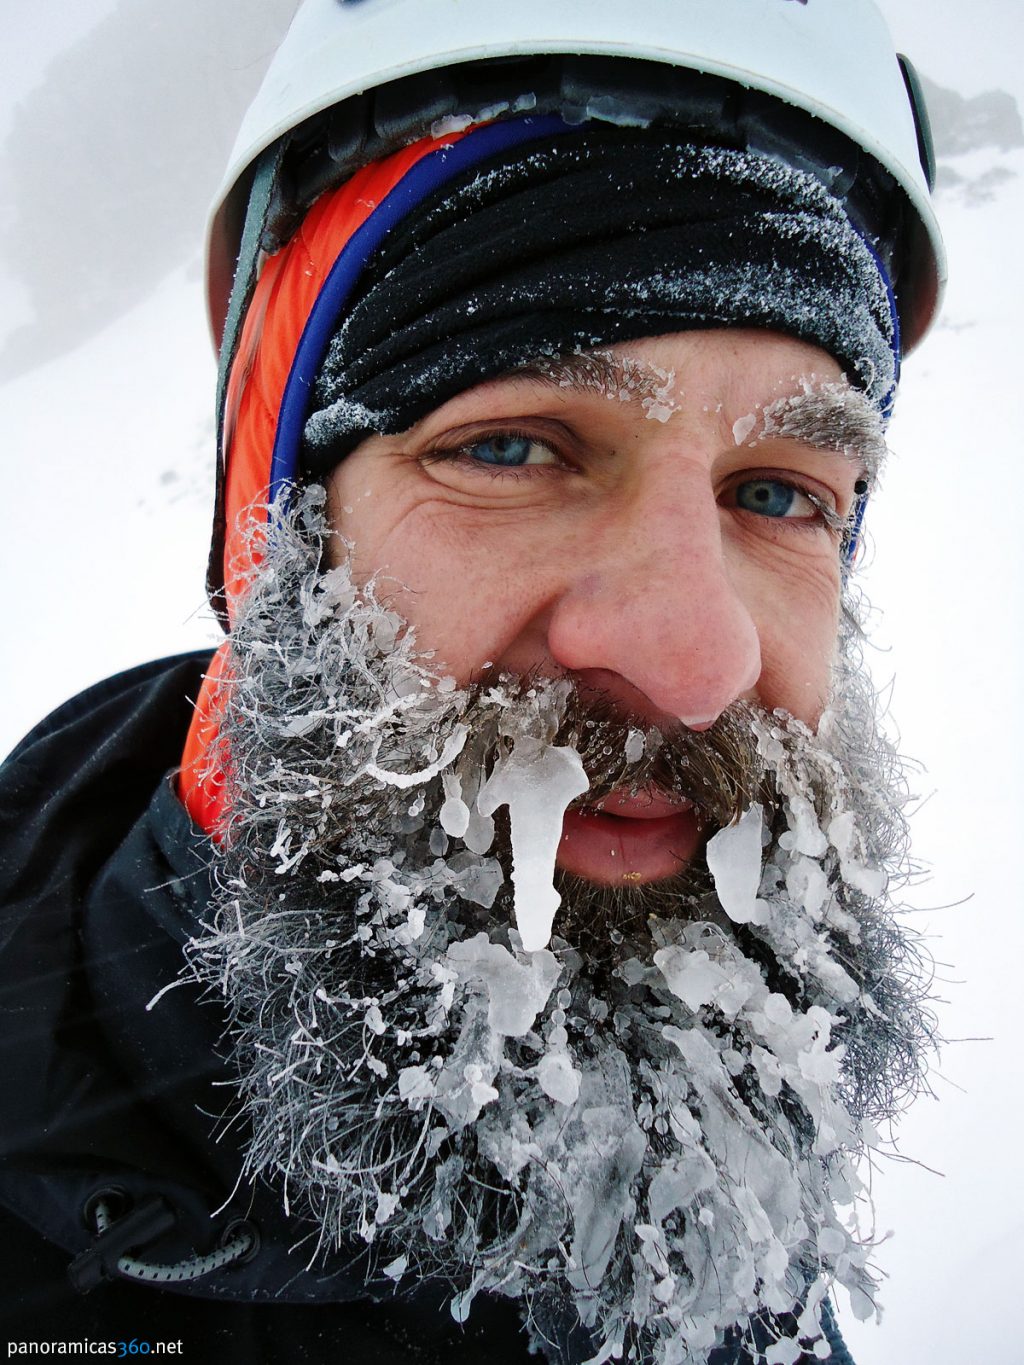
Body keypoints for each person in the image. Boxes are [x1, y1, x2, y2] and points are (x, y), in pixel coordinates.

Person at [0, 1, 944, 1361]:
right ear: (276, 537)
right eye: (512, 448)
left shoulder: (727, 1187)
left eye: (781, 492)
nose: (696, 663)